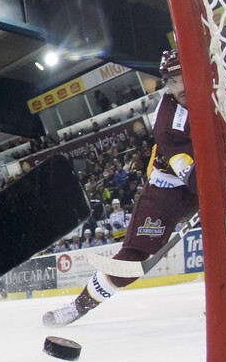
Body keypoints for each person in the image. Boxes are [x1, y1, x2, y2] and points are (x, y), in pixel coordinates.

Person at [44, 50, 197, 326]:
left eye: (183, 76)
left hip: (203, 182)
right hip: (167, 193)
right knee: (131, 260)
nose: (180, 87)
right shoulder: (167, 121)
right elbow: (193, 175)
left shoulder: (220, 90)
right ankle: (77, 307)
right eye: (173, 81)